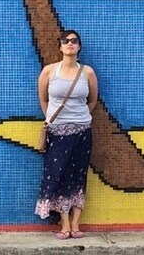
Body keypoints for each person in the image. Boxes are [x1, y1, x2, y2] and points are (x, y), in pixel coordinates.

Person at [35, 30, 97, 239]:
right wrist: (52, 118)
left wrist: (80, 118)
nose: (70, 44)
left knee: (78, 177)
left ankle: (76, 224)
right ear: (60, 46)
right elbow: (43, 98)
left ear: (79, 47)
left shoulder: (87, 72)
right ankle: (64, 224)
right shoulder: (49, 71)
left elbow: (92, 100)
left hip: (82, 132)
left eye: (74, 41)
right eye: (66, 41)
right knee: (59, 175)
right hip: (57, 132)